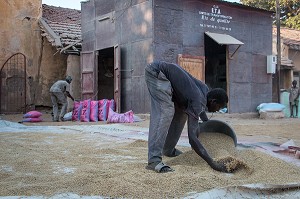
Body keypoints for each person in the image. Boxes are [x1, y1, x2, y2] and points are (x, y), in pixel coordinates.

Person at [145, 60, 229, 173]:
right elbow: (192, 138)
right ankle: (154, 160)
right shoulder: (198, 100)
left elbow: (199, 109)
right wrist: (212, 163)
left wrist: (206, 123)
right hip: (157, 73)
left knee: (183, 113)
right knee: (165, 111)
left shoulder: (204, 90)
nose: (218, 110)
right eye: (218, 107)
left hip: (167, 77)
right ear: (213, 101)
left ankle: (168, 150)